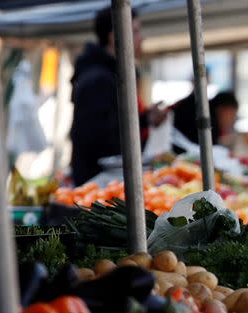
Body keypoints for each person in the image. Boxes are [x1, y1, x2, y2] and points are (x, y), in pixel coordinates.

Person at [69, 7, 166, 185]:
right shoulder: (98, 80)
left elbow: (114, 127)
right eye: (135, 31)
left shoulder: (109, 76)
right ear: (114, 36)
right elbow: (102, 141)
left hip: (109, 182)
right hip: (100, 187)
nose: (141, 38)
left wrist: (145, 119)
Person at [171, 89, 239, 150]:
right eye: (232, 114)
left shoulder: (199, 104)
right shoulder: (207, 121)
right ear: (223, 110)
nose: (233, 119)